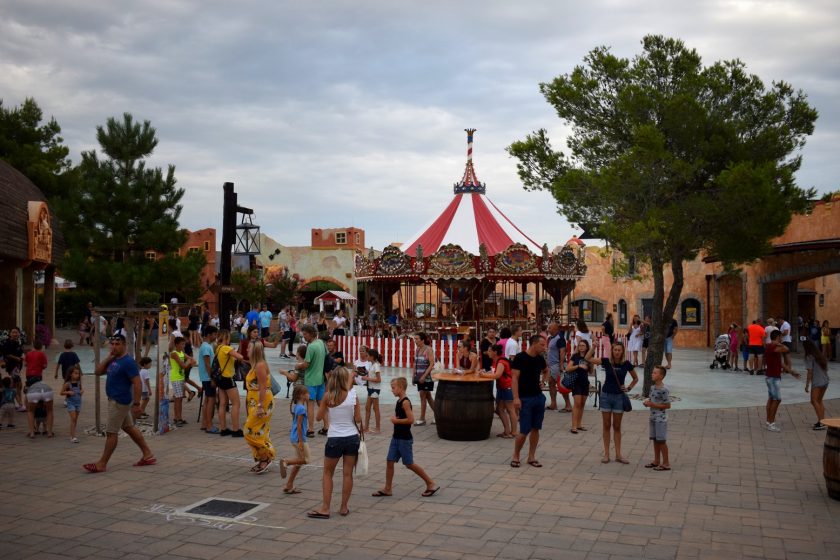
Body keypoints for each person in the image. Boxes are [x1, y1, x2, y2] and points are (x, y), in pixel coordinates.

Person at [83, 334, 155, 473]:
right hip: (116, 400)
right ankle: (148, 454)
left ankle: (102, 463)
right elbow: (97, 372)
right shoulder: (114, 360)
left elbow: (137, 383)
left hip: (119, 402)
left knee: (111, 433)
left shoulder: (128, 362)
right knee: (129, 427)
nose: (114, 346)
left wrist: (137, 404)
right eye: (113, 344)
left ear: (124, 345)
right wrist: (109, 357)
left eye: (118, 344)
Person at [371, 377, 439, 498]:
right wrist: (396, 420)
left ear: (401, 388)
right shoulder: (399, 401)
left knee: (409, 464)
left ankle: (430, 483)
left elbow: (411, 420)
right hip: (396, 437)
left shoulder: (405, 402)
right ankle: (387, 488)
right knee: (390, 461)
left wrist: (396, 421)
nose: (392, 390)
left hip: (404, 439)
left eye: (393, 388)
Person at [308, 367, 361, 519]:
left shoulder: (328, 397)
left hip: (335, 438)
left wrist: (326, 408)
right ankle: (344, 507)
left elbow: (318, 418)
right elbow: (358, 419)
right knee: (347, 473)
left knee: (327, 473)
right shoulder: (353, 396)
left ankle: (325, 508)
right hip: (352, 437)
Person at [589, 341, 638, 464]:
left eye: (619, 350)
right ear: (612, 351)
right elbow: (588, 358)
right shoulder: (606, 361)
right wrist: (593, 347)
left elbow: (635, 378)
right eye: (615, 350)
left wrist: (629, 388)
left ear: (622, 351)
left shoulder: (626, 364)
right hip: (606, 396)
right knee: (606, 425)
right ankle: (606, 454)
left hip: (619, 397)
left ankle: (618, 454)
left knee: (617, 426)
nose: (617, 352)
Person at [510, 335, 548, 468]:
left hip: (538, 397)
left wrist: (543, 381)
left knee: (536, 428)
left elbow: (546, 370)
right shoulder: (520, 358)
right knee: (524, 429)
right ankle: (516, 455)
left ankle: (531, 456)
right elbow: (514, 379)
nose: (544, 347)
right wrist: (516, 398)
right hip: (524, 398)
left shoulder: (540, 359)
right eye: (542, 345)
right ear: (534, 344)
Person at [243, 341, 275, 474]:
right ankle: (264, 458)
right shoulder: (255, 365)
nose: (247, 350)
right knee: (260, 430)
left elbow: (263, 387)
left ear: (255, 350)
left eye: (249, 348)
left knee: (249, 430)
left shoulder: (260, 365)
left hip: (262, 402)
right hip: (254, 401)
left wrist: (260, 406)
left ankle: (266, 456)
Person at [294, 324, 327, 437]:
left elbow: (306, 364)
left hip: (311, 380)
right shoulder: (321, 343)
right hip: (321, 378)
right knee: (322, 404)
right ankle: (326, 427)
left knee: (310, 405)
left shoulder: (311, 347)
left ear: (311, 334)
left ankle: (311, 429)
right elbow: (326, 357)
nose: (304, 337)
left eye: (305, 334)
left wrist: (298, 365)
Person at [764, 330, 800, 432]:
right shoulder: (772, 347)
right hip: (773, 377)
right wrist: (778, 343)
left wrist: (791, 372)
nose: (782, 339)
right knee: (777, 399)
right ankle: (771, 423)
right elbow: (786, 349)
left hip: (771, 377)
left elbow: (780, 363)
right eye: (780, 337)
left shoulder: (771, 347)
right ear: (778, 337)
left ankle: (768, 421)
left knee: (771, 399)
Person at [480, 343, 516, 438]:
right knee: (499, 409)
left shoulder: (500, 362)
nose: (487, 352)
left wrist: (483, 375)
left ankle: (513, 432)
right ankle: (507, 431)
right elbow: (494, 372)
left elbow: (497, 375)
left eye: (489, 351)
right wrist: (485, 373)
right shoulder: (496, 361)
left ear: (495, 352)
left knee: (510, 409)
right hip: (502, 388)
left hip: (507, 387)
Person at [280, 384, 311, 493]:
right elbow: (299, 425)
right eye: (307, 393)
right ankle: (286, 462)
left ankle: (289, 485)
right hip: (299, 438)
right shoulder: (301, 409)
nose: (309, 395)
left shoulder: (297, 406)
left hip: (294, 437)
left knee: (298, 463)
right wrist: (301, 441)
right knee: (306, 459)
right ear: (302, 395)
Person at [215, 329, 245, 437]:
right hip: (228, 378)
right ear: (226, 338)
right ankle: (236, 429)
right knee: (236, 403)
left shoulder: (218, 348)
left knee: (222, 404)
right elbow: (240, 357)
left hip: (220, 378)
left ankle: (223, 429)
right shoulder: (226, 348)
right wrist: (235, 353)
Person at [643, 365, 671, 471]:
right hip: (653, 417)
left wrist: (652, 405)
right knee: (655, 439)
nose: (652, 374)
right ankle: (656, 460)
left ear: (661, 376)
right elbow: (652, 400)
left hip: (661, 419)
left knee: (661, 440)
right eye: (652, 372)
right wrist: (648, 403)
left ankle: (666, 463)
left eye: (655, 373)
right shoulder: (652, 387)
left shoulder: (664, 390)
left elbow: (667, 405)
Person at [565, 339, 592, 434]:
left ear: (587, 347)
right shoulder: (575, 356)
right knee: (577, 404)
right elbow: (568, 368)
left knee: (582, 404)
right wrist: (578, 366)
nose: (581, 347)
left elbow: (591, 371)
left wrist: (591, 364)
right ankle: (574, 426)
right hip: (576, 382)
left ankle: (579, 424)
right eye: (580, 345)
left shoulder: (589, 357)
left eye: (583, 345)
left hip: (585, 383)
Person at [169, 336, 196, 427]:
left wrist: (190, 360)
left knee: (180, 399)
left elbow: (191, 359)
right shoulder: (174, 353)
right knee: (177, 399)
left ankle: (179, 417)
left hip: (181, 377)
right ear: (176, 345)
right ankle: (177, 418)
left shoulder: (181, 352)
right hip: (176, 378)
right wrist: (189, 361)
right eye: (182, 344)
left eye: (184, 344)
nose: (183, 346)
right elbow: (183, 365)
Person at [197, 326, 219, 433]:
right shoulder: (206, 347)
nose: (216, 337)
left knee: (207, 400)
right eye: (215, 334)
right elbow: (207, 364)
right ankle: (209, 425)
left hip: (205, 377)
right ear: (209, 335)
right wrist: (212, 378)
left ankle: (204, 423)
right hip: (208, 377)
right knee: (211, 400)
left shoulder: (206, 346)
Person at [545, 322, 572, 413]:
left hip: (557, 365)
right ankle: (553, 404)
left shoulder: (560, 338)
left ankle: (568, 405)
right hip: (551, 365)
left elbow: (562, 351)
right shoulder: (551, 338)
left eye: (550, 328)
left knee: (561, 385)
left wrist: (561, 365)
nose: (548, 329)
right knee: (551, 383)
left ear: (555, 329)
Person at [803, 339, 829, 430]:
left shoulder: (809, 357)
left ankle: (821, 422)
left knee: (814, 401)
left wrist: (807, 385)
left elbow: (810, 372)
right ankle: (822, 421)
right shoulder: (820, 355)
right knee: (819, 401)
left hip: (817, 382)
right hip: (825, 381)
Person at [412, 332, 435, 426]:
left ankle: (422, 419)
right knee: (428, 397)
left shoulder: (428, 349)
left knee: (422, 396)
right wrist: (413, 375)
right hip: (419, 377)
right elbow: (415, 363)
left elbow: (432, 364)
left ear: (422, 340)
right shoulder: (417, 349)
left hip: (426, 377)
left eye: (417, 339)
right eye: (415, 339)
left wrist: (424, 376)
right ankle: (438, 415)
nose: (415, 341)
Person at [2, 327, 25, 410]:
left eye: (16, 332)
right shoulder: (8, 343)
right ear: (10, 333)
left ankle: (14, 402)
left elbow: (21, 352)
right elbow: (6, 354)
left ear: (19, 333)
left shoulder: (18, 342)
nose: (15, 334)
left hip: (17, 367)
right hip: (12, 367)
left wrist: (23, 356)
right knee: (18, 385)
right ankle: (20, 404)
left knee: (16, 385)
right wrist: (16, 358)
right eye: (13, 332)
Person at [361, 348, 383, 433]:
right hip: (371, 388)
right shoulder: (372, 365)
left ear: (372, 357)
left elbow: (378, 379)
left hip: (375, 389)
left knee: (375, 408)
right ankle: (366, 427)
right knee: (367, 408)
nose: (366, 357)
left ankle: (378, 428)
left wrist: (367, 378)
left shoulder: (376, 366)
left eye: (368, 356)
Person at [61, 365, 84, 443]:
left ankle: (72, 434)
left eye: (78, 374)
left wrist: (82, 391)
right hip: (71, 403)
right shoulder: (67, 384)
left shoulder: (79, 383)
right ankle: (73, 436)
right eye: (75, 373)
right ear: (71, 374)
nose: (77, 375)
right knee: (73, 418)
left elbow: (81, 390)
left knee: (75, 420)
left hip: (78, 402)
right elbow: (61, 392)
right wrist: (68, 392)